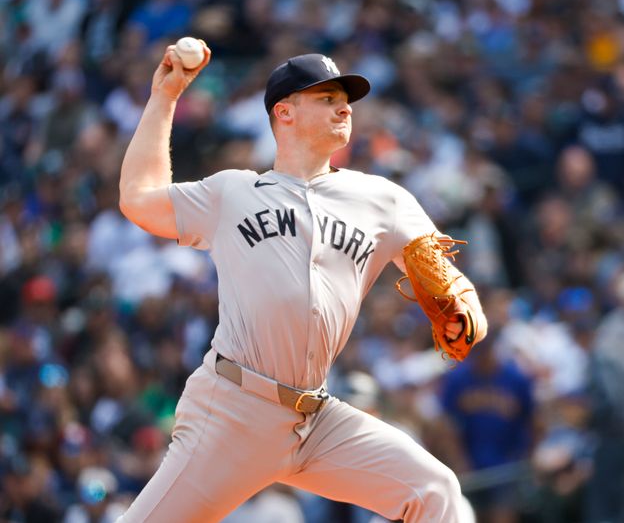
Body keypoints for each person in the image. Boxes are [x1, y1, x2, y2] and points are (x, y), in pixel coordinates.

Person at [115, 42, 487, 522]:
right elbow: (139, 198)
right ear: (284, 112)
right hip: (233, 412)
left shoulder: (383, 199)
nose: (344, 106)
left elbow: (449, 278)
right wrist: (165, 98)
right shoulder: (233, 191)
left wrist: (466, 310)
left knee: (436, 491)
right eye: (327, 97)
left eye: (345, 99)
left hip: (316, 419)